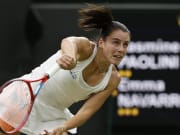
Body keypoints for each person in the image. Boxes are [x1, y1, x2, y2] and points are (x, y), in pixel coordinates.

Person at [1, 4, 131, 135]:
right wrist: (70, 57)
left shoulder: (113, 79)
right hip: (23, 97)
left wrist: (62, 128)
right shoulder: (86, 48)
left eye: (125, 44)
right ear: (101, 42)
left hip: (53, 113)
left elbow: (85, 112)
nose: (121, 49)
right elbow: (69, 41)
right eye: (115, 42)